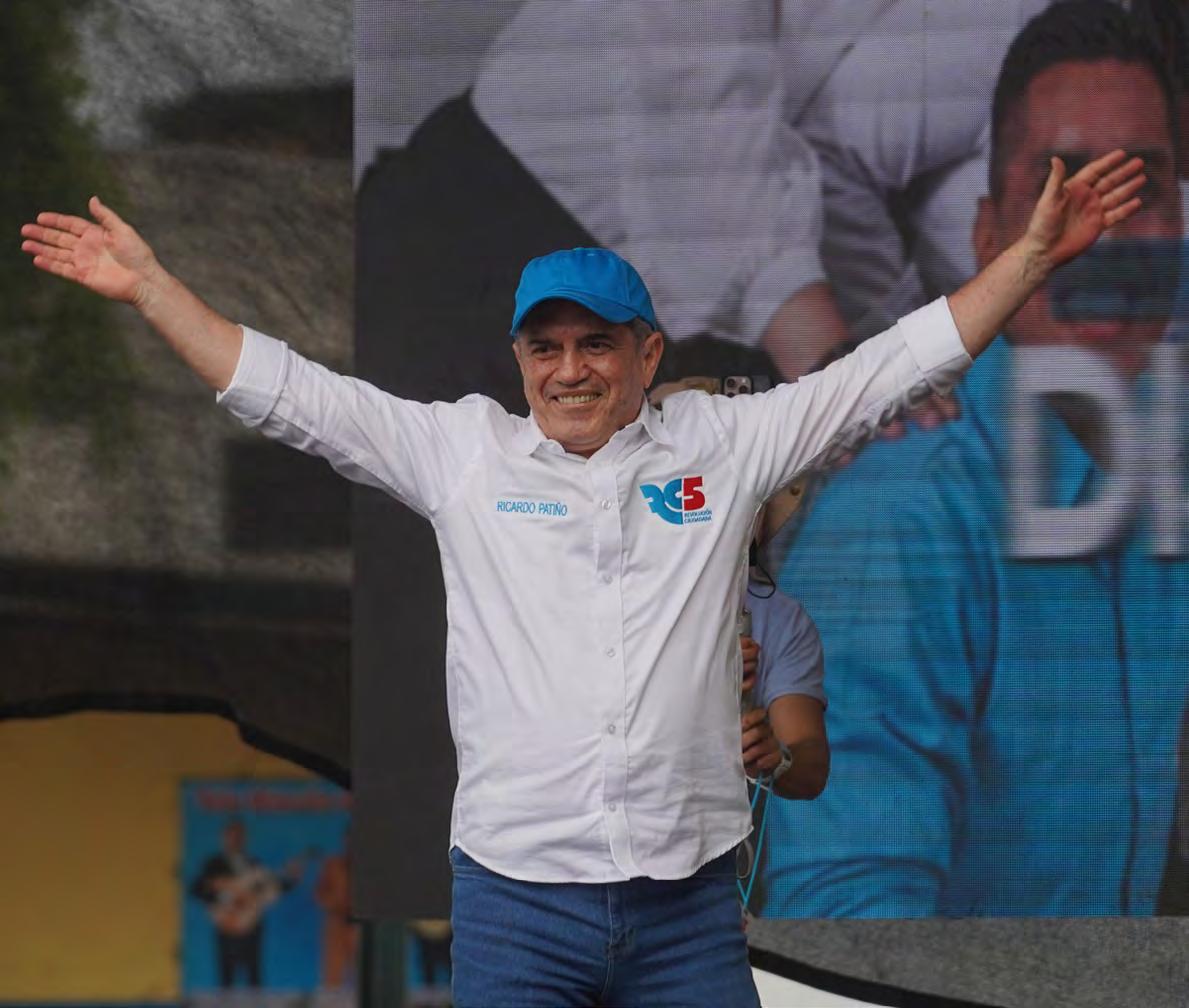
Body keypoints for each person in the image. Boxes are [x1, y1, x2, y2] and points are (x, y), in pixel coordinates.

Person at [21, 134, 1142, 1003]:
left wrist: (1029, 260)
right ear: (517, 359)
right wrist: (154, 289)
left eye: (596, 342)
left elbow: (888, 369)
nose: (569, 369)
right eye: (545, 347)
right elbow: (291, 394)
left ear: (647, 353)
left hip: (687, 908)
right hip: (517, 908)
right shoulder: (463, 453)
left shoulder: (724, 445)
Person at [768, 0, 1189, 917]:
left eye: (1142, 189)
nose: (1105, 237)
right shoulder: (900, 517)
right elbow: (850, 935)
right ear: (990, 238)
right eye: (1061, 191)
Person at [189, 818, 302, 988]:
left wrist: (290, 879)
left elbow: (270, 888)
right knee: (226, 978)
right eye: (232, 836)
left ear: (245, 839)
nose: (236, 840)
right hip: (226, 925)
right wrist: (224, 898)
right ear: (224, 838)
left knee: (254, 977)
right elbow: (196, 889)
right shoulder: (213, 864)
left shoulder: (254, 864)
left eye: (240, 836)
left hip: (251, 926)